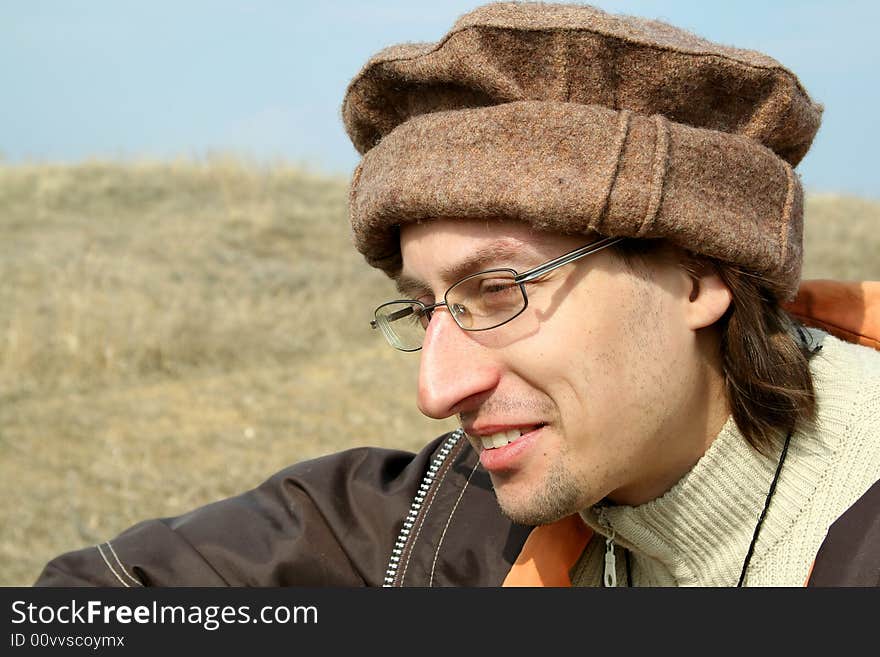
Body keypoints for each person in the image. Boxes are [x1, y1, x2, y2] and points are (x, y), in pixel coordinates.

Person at [35, 1, 879, 588]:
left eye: (497, 289)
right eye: (424, 306)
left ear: (700, 275)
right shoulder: (432, 523)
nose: (437, 391)